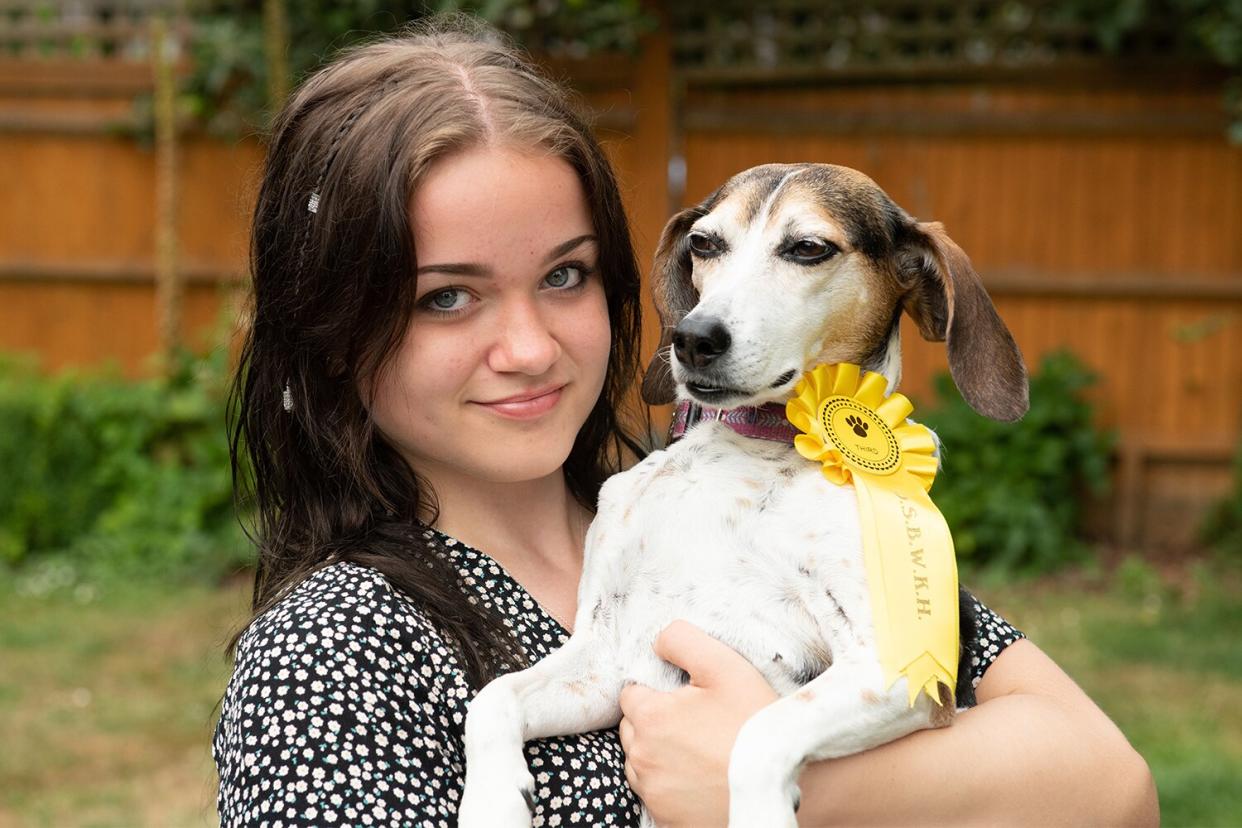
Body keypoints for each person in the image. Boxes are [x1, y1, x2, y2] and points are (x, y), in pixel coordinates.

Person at [213, 19, 1158, 828]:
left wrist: (780, 774)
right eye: (447, 298)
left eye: (564, 275)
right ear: (336, 331)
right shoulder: (332, 657)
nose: (531, 347)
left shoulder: (721, 506)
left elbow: (1111, 787)